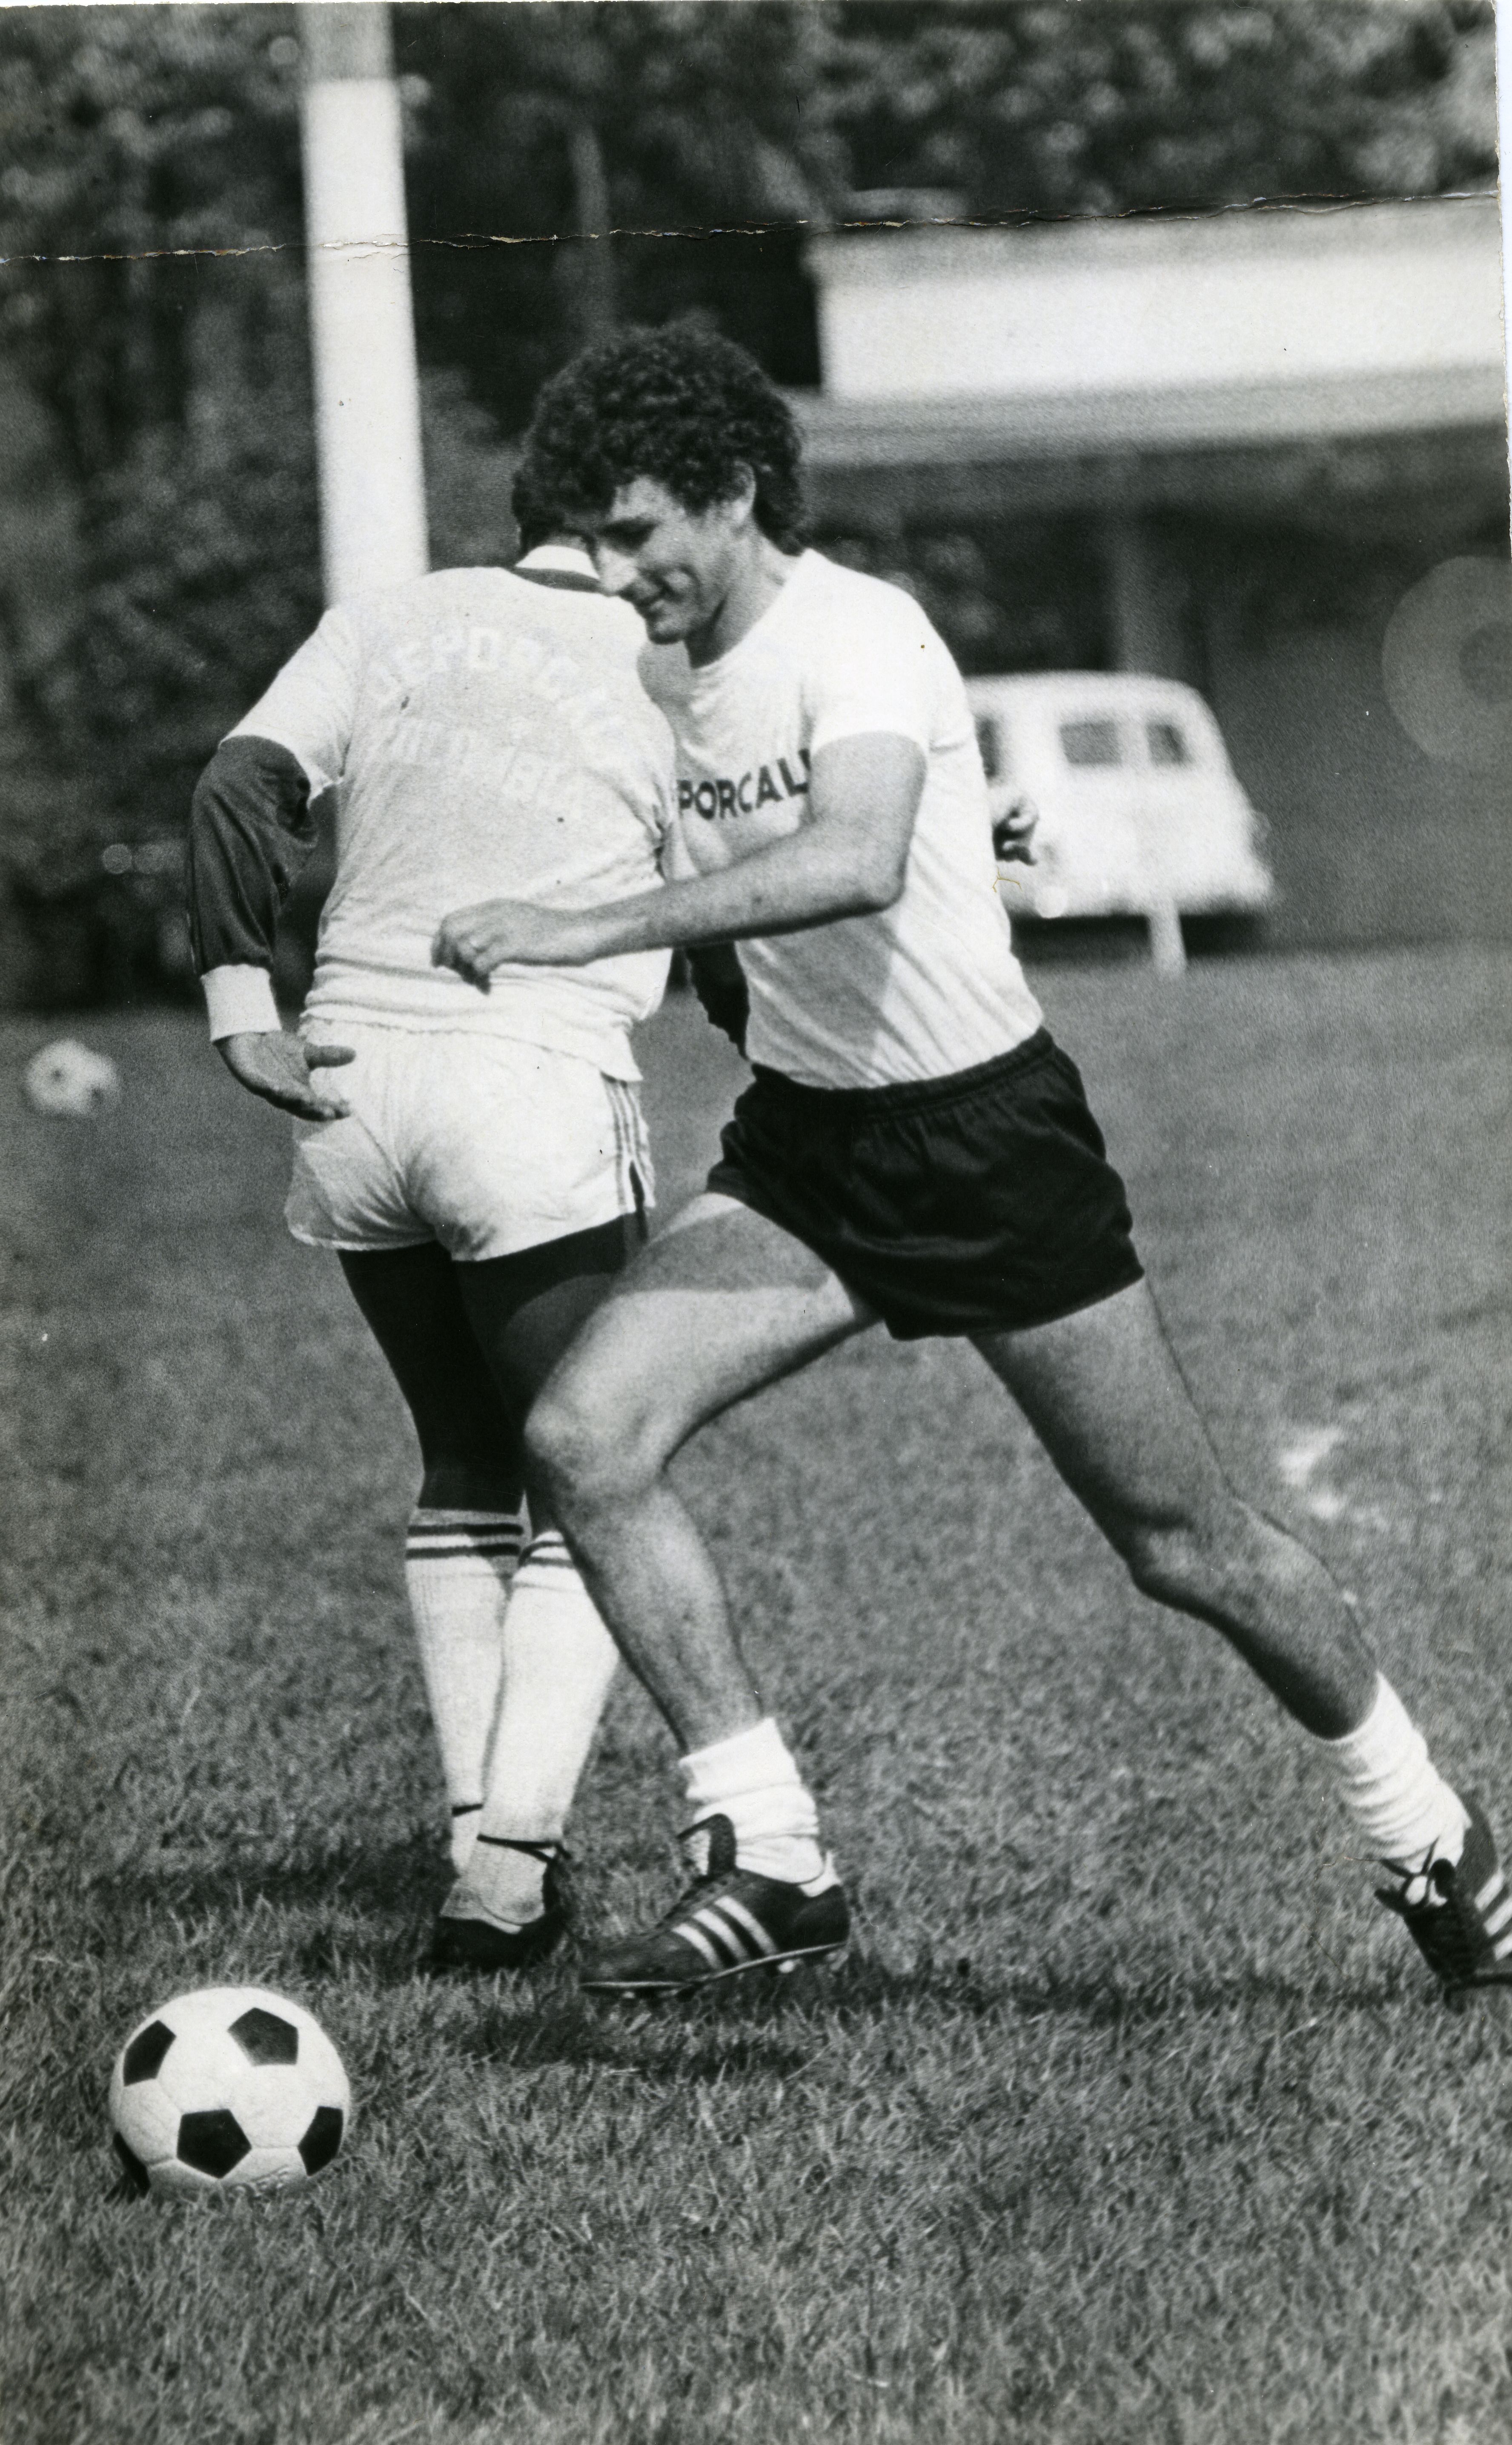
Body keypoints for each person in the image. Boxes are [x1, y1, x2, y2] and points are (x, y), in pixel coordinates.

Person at [432, 326, 1508, 2007]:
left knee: (1183, 1542)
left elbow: (857, 856)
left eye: (638, 534)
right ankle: (771, 1847)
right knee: (584, 1436)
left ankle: (1439, 1840)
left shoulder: (860, 630)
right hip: (808, 1149)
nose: (618, 574)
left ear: (732, 494)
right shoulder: (656, 679)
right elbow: (787, 858)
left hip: (984, 1139)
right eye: (591, 542)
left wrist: (587, 928)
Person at [187, 486, 677, 1972]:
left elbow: (236, 786)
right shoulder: (671, 652)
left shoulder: (389, 616)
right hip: (526, 1083)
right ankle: (509, 1874)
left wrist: (239, 1012)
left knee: (465, 1463)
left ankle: (481, 1845)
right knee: (596, 1477)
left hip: (352, 1086)